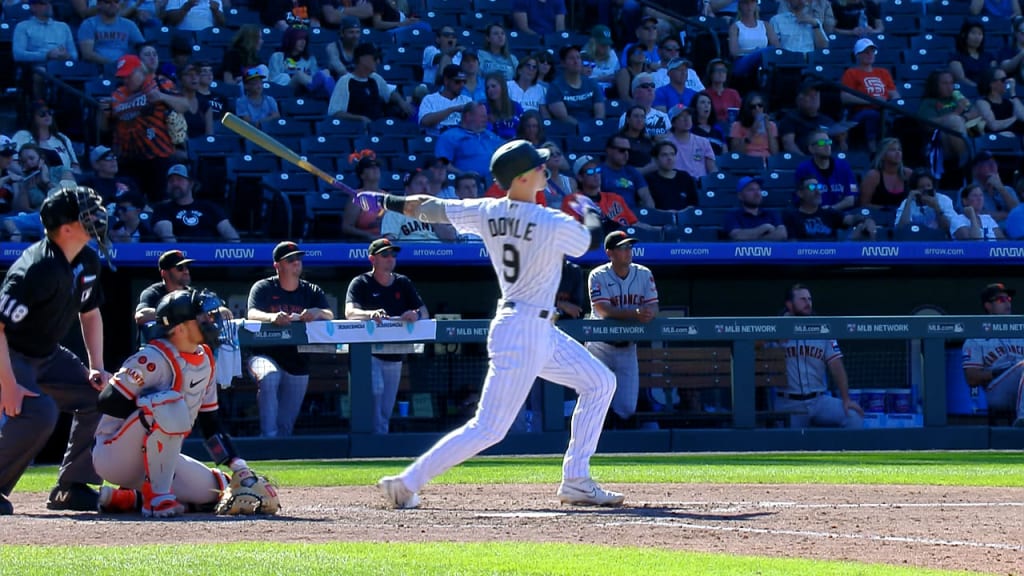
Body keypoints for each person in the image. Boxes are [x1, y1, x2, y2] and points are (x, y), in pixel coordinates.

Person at [363, 139, 623, 508]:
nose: (545, 170)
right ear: (519, 178)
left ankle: (577, 479)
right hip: (525, 329)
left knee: (600, 383)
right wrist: (589, 208)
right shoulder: (549, 220)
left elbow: (432, 209)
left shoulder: (487, 210)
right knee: (489, 428)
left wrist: (385, 200)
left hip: (533, 327)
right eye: (537, 167)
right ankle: (406, 482)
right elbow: (591, 240)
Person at [0, 186, 111, 515]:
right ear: (66, 228)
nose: (97, 219)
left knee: (100, 397)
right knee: (38, 412)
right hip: (11, 352)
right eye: (87, 216)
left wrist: (98, 367)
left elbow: (89, 313)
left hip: (46, 354)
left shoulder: (87, 259)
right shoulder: (36, 270)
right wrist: (8, 384)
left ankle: (71, 486)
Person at [91, 288, 249, 517]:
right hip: (114, 454)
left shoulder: (205, 360)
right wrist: (148, 405)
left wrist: (239, 468)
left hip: (160, 461)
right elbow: (107, 402)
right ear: (181, 327)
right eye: (202, 316)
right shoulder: (153, 358)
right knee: (170, 403)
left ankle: (129, 499)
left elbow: (210, 426)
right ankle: (157, 500)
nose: (211, 321)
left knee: (218, 491)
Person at [246, 241, 333, 437]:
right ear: (277, 265)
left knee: (285, 427)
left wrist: (316, 312)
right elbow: (251, 313)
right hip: (264, 354)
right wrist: (271, 317)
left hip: (297, 361)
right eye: (290, 259)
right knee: (269, 377)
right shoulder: (264, 287)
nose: (296, 263)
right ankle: (267, 439)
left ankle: (279, 450)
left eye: (298, 258)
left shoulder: (311, 290)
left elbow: (329, 314)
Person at [345, 238, 428, 434]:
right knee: (376, 391)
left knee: (385, 408)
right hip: (368, 353)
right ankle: (368, 441)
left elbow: (424, 311)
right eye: (385, 255)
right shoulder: (361, 282)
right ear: (372, 259)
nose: (390, 258)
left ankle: (379, 444)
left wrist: (415, 314)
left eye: (393, 254)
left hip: (395, 353)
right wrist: (370, 314)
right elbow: (350, 312)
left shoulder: (402, 282)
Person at [587, 230, 659, 427]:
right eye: (622, 248)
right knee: (595, 398)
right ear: (609, 253)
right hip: (600, 346)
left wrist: (649, 312)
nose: (628, 251)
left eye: (629, 247)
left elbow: (653, 305)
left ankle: (619, 445)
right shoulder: (598, 275)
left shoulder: (644, 274)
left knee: (627, 407)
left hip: (628, 347)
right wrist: (636, 313)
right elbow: (603, 310)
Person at [776, 284, 864, 428]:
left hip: (819, 401)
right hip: (789, 403)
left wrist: (846, 399)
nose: (808, 303)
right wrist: (779, 331)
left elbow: (836, 366)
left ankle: (841, 451)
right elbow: (754, 344)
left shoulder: (823, 329)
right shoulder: (776, 327)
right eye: (802, 299)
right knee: (790, 442)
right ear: (789, 304)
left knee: (854, 417)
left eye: (809, 299)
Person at [962, 283, 1024, 427]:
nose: (1007, 302)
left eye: (1008, 299)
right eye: (1000, 300)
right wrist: (996, 372)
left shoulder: (1019, 331)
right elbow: (971, 378)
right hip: (996, 390)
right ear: (988, 306)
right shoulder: (976, 337)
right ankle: (1023, 419)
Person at [328, 43, 413, 123]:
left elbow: (389, 93)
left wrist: (402, 102)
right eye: (375, 58)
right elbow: (335, 113)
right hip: (357, 132)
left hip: (379, 128)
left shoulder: (375, 78)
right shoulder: (345, 81)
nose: (378, 62)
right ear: (362, 59)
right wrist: (360, 119)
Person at [152, 164, 240, 242]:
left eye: (179, 180)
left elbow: (228, 232)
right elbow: (166, 235)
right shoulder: (162, 209)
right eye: (171, 181)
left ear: (191, 183)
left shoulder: (209, 207)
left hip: (210, 255)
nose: (175, 183)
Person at [840, 39, 899, 153]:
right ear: (858, 55)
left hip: (884, 109)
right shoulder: (851, 73)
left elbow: (894, 93)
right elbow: (845, 97)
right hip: (862, 111)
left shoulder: (883, 72)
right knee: (871, 115)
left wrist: (894, 103)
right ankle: (872, 146)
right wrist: (871, 101)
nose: (870, 54)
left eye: (872, 52)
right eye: (866, 52)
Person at [784, 176, 876, 240]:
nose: (818, 191)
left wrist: (867, 220)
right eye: (812, 187)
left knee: (863, 230)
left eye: (819, 187)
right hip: (805, 258)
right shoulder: (792, 216)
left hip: (832, 256)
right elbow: (792, 246)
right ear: (800, 193)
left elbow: (851, 219)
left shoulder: (828, 212)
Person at [435, 102, 505, 182]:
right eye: (482, 117)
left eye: (485, 116)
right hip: (465, 184)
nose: (486, 120)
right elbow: (442, 164)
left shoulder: (490, 135)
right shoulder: (450, 136)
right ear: (468, 116)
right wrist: (464, 175)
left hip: (494, 182)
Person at [794, 130, 859, 212]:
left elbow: (850, 199)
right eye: (821, 143)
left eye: (828, 142)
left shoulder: (843, 167)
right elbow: (802, 199)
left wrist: (831, 210)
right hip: (815, 216)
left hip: (842, 215)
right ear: (811, 149)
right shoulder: (803, 169)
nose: (827, 145)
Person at [268, 26, 336, 99]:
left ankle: (335, 98)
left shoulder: (310, 59)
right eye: (299, 39)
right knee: (299, 74)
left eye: (304, 39)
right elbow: (273, 81)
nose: (303, 42)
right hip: (285, 89)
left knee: (326, 71)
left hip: (306, 89)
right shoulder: (277, 57)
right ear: (291, 39)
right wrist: (292, 78)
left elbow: (313, 76)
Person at [545, 45, 606, 126]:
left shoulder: (592, 84)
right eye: (571, 58)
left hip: (593, 129)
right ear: (563, 63)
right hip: (569, 130)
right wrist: (583, 128)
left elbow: (600, 114)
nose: (576, 61)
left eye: (578, 57)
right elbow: (563, 117)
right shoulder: (555, 87)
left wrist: (594, 127)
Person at [135, 249, 195, 329]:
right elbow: (140, 316)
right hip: (160, 339)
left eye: (186, 267)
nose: (186, 271)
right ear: (164, 273)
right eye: (180, 268)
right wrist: (173, 313)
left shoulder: (192, 294)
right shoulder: (153, 293)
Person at [780, 81, 841, 157]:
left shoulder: (827, 120)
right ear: (799, 99)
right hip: (802, 162)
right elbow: (788, 144)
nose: (814, 97)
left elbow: (839, 144)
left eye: (816, 94)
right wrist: (807, 162)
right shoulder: (790, 119)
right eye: (809, 94)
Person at [77, 0, 144, 65]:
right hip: (98, 68)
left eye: (116, 2)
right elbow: (87, 54)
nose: (113, 5)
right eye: (108, 2)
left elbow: (143, 48)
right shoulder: (89, 24)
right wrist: (112, 64)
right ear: (99, 4)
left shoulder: (129, 25)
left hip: (126, 69)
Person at [725, 176, 788, 241]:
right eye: (751, 190)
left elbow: (782, 234)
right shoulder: (733, 215)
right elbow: (737, 235)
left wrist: (754, 239)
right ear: (740, 196)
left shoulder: (772, 213)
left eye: (758, 189)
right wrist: (764, 228)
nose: (757, 193)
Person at [665, 104, 717, 181]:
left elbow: (712, 169)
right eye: (681, 116)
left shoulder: (703, 142)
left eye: (688, 115)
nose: (686, 119)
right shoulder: (666, 144)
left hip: (701, 185)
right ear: (673, 123)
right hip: (677, 184)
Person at [417, 64, 473, 134]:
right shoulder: (430, 99)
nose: (462, 85)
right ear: (446, 80)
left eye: (464, 82)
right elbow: (424, 122)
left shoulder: (467, 100)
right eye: (457, 82)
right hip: (437, 140)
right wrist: (452, 109)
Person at [859, 137, 913, 209]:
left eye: (899, 150)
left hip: (903, 217)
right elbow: (863, 204)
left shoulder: (908, 173)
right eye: (892, 150)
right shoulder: (873, 176)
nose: (898, 152)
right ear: (882, 155)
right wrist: (886, 209)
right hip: (879, 216)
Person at [646, 139, 697, 210]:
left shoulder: (685, 176)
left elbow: (694, 203)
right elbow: (648, 206)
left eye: (672, 154)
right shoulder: (649, 179)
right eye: (664, 155)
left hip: (685, 218)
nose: (669, 158)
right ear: (656, 159)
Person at [974, 67, 1024, 136]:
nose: (1007, 82)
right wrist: (1014, 118)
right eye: (1003, 80)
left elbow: (1022, 116)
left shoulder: (1010, 101)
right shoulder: (982, 103)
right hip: (994, 139)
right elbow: (993, 125)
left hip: (1014, 138)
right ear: (991, 83)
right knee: (1009, 134)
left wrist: (1013, 94)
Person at [730, 91, 779, 160]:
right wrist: (751, 133)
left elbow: (775, 153)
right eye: (753, 107)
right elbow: (736, 153)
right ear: (747, 109)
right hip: (746, 160)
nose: (757, 109)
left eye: (760, 105)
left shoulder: (771, 125)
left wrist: (769, 130)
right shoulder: (737, 125)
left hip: (766, 160)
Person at [950, 20, 997, 89]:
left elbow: (994, 76)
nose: (977, 37)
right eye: (973, 33)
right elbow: (961, 79)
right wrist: (979, 88)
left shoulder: (989, 56)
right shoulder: (956, 58)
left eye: (980, 34)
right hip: (967, 92)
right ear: (964, 35)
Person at [484, 72, 523, 140]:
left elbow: (523, 129)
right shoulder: (484, 109)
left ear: (502, 86)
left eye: (493, 86)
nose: (490, 90)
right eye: (487, 88)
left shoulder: (516, 106)